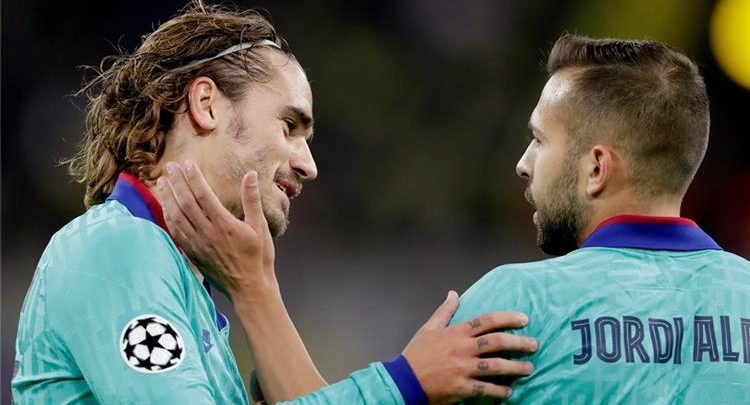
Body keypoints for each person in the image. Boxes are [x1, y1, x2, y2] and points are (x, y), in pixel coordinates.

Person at [161, 34, 750, 404]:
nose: (523, 164)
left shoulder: (517, 309)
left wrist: (254, 290)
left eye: (540, 140)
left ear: (596, 168)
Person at [11, 1, 537, 404]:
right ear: (206, 104)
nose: (308, 165)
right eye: (289, 126)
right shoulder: (118, 248)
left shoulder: (178, 276)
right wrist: (405, 383)